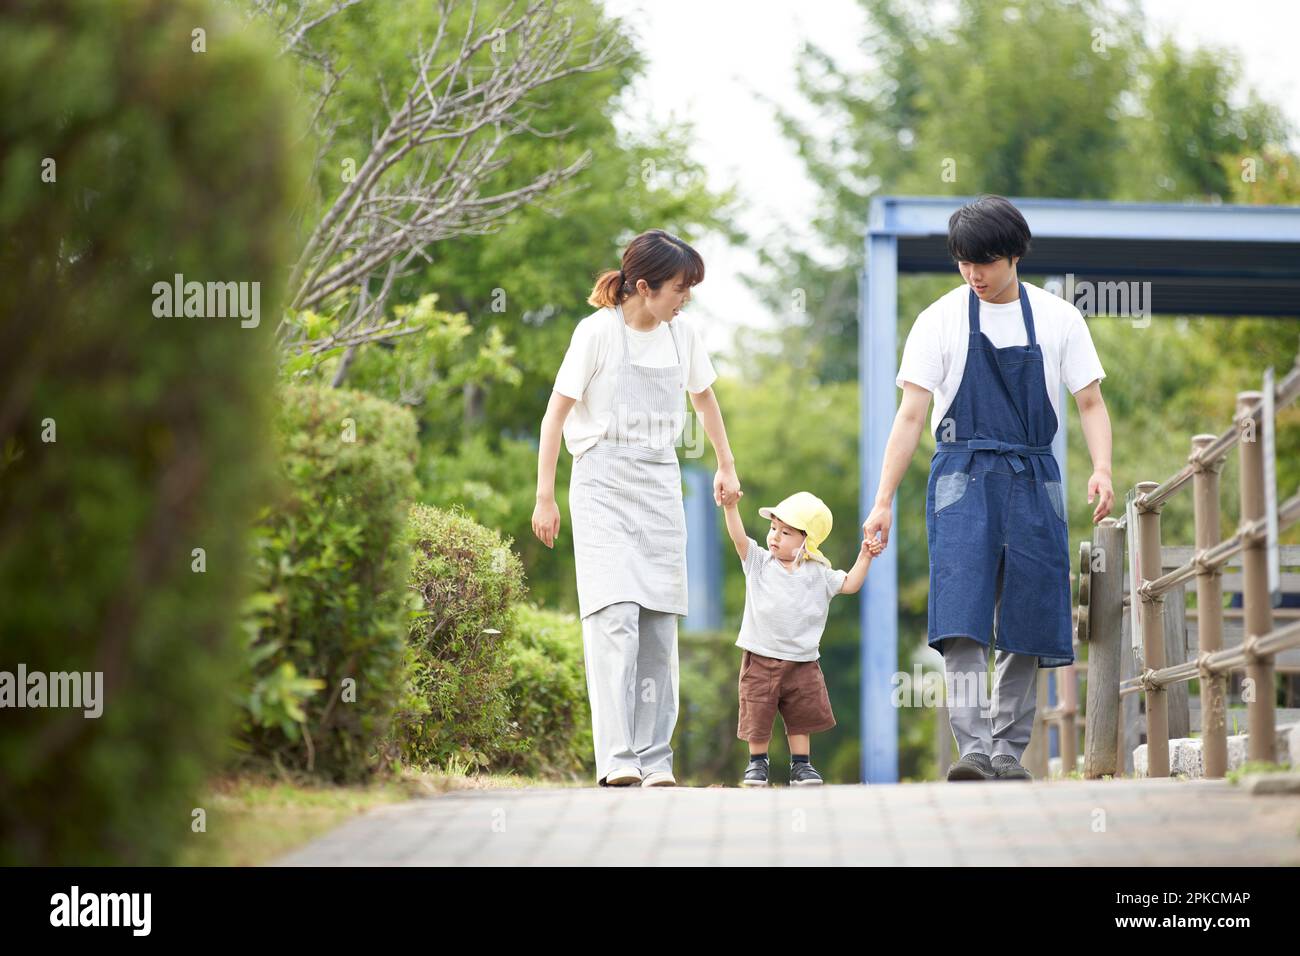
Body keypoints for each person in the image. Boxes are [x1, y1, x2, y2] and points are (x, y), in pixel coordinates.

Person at [863, 195, 1114, 782]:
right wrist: (882, 500)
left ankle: (1008, 749)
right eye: (963, 263)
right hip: (960, 478)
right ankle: (973, 748)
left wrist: (1101, 466)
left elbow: (1091, 401)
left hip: (1034, 476)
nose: (974, 275)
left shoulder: (1058, 319)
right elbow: (908, 417)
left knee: (1030, 611)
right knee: (963, 613)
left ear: (1015, 255)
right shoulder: (939, 320)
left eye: (987, 262)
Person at [531, 229, 742, 787]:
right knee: (615, 616)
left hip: (658, 480)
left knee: (657, 623)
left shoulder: (683, 335)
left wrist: (725, 464)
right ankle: (617, 759)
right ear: (643, 287)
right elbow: (554, 418)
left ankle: (655, 759)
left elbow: (704, 398)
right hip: (600, 480)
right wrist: (545, 496)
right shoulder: (596, 334)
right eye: (679, 287)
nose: (685, 298)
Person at [721, 490, 882, 786]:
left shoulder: (818, 573)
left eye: (786, 532)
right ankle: (757, 763)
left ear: (806, 540)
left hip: (803, 661)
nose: (775, 537)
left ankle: (801, 765)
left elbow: (850, 584)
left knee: (801, 715)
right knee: (757, 710)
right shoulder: (759, 562)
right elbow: (739, 539)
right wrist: (731, 507)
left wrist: (866, 556)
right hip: (760, 655)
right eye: (773, 529)